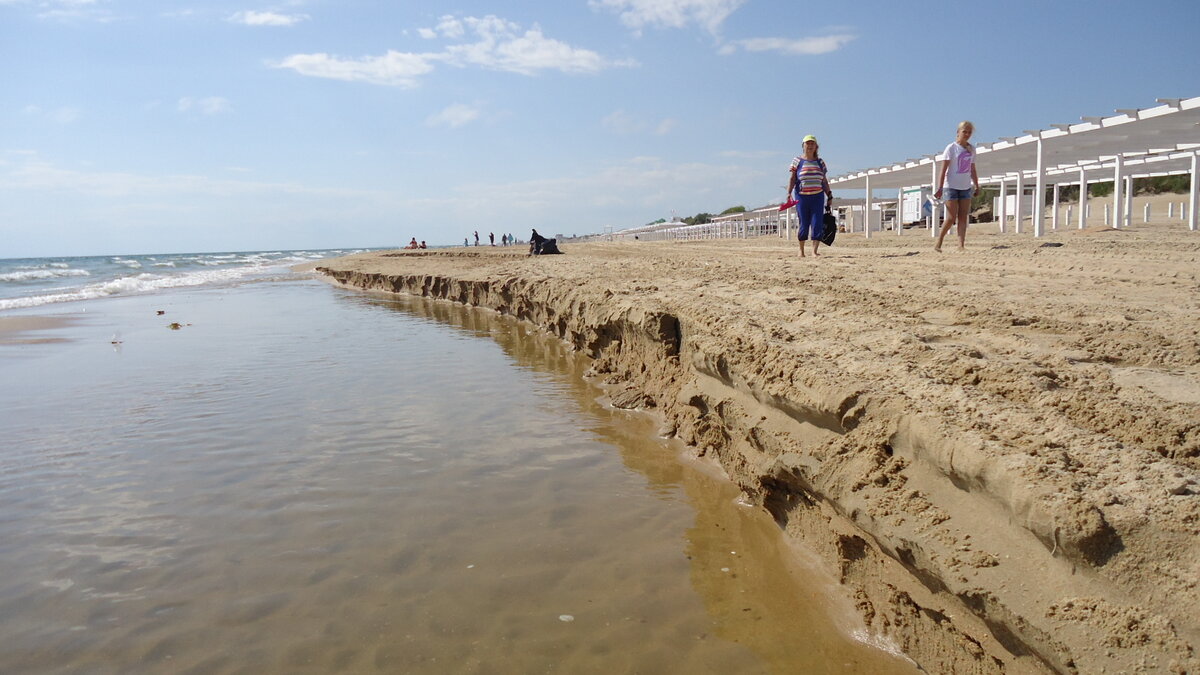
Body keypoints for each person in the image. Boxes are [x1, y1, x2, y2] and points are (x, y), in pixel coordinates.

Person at [934, 121, 980, 252]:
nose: (967, 134)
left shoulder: (972, 149)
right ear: (958, 132)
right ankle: (939, 241)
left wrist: (977, 185)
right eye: (964, 131)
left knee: (963, 216)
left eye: (969, 132)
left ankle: (961, 245)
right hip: (951, 187)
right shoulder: (951, 148)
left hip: (965, 187)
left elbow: (972, 169)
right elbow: (943, 170)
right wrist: (940, 188)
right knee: (951, 217)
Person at [786, 134, 832, 258]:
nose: (810, 145)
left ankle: (814, 251)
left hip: (817, 197)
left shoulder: (820, 162)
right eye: (808, 143)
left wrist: (829, 195)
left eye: (812, 143)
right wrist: (789, 193)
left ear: (816, 146)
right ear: (803, 146)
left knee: (817, 223)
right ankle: (801, 250)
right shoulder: (797, 161)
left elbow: (824, 181)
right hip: (802, 197)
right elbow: (792, 178)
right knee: (804, 223)